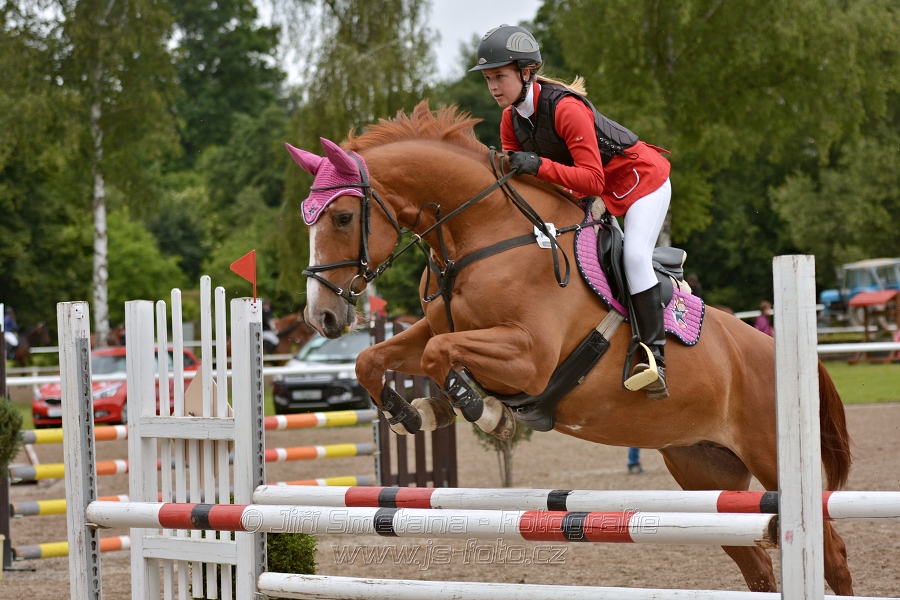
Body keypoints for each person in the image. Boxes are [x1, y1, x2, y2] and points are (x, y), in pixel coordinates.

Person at [470, 24, 673, 399]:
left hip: (641, 180)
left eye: (499, 76)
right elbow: (523, 181)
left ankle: (653, 356)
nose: (493, 87)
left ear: (526, 72)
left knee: (634, 256)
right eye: (488, 79)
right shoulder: (510, 120)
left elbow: (592, 180)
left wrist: (537, 166)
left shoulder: (566, 108)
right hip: (594, 191)